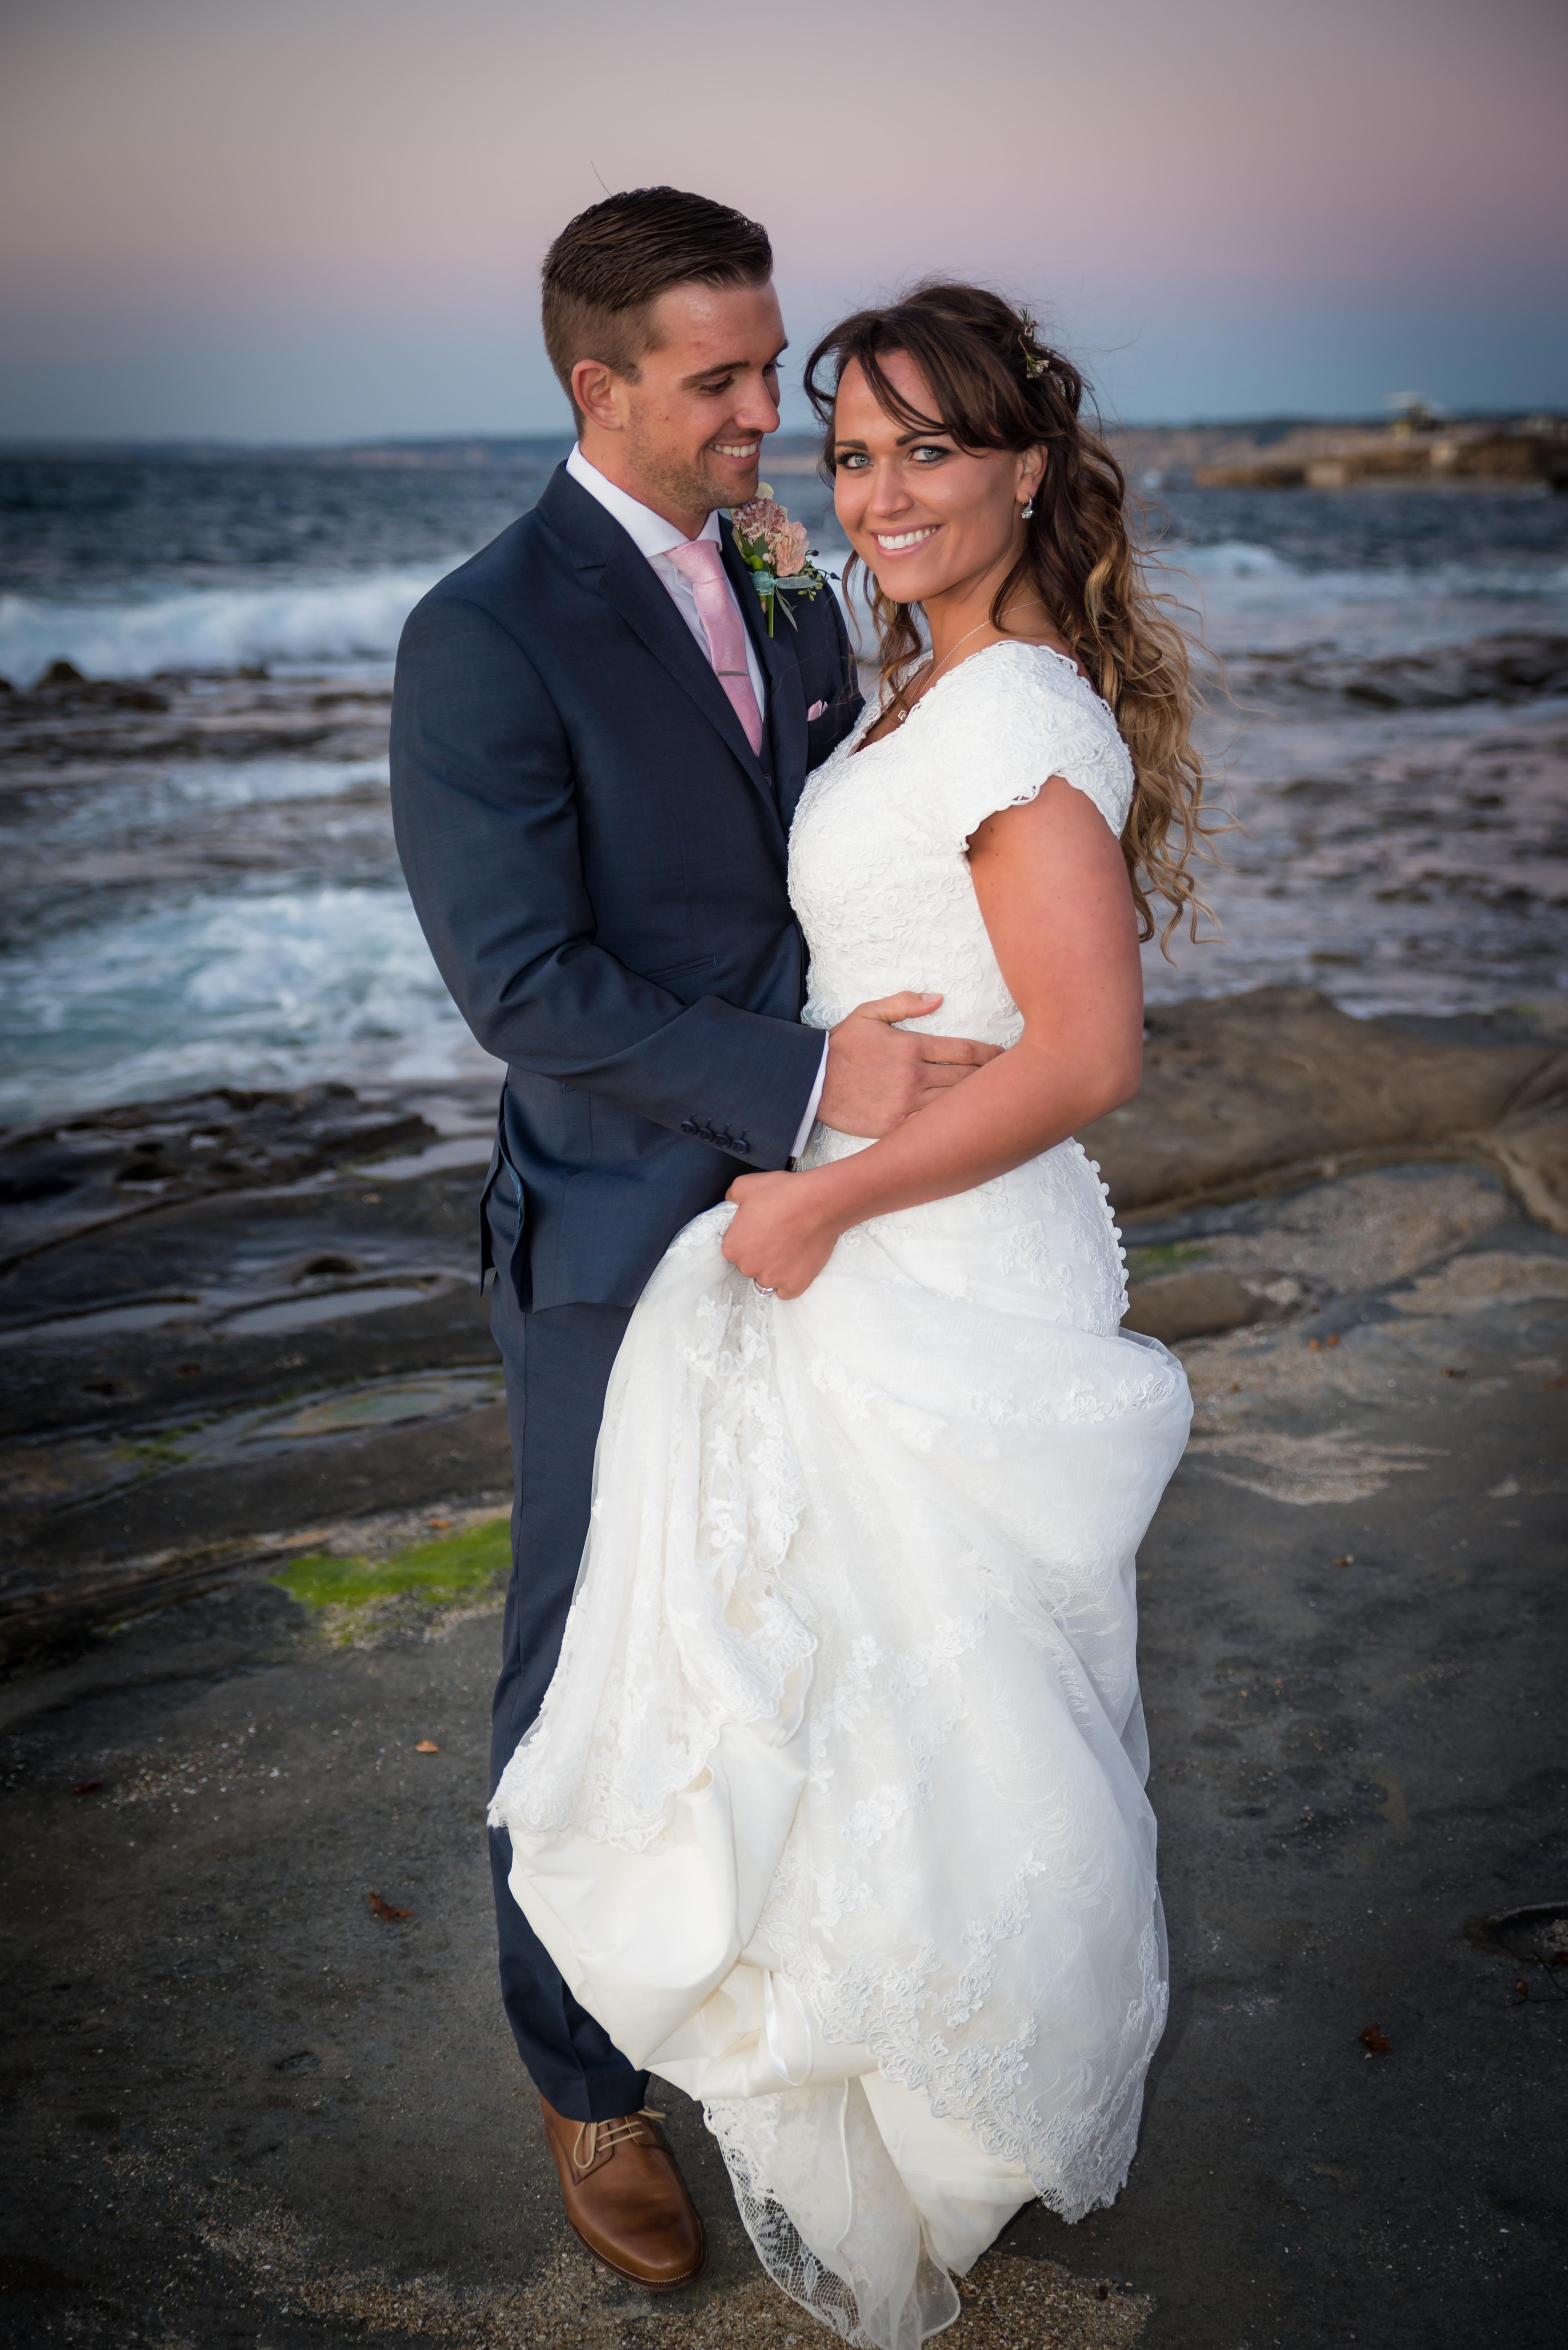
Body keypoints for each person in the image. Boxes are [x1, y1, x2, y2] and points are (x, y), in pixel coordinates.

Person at [488, 283, 1205, 2346]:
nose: (881, 492)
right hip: (873, 1222)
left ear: (1027, 474)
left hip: (937, 1240)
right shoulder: (906, 685)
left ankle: (959, 2094)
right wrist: (818, 1162)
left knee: (965, 1695)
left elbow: (1084, 1054)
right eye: (854, 452)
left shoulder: (1012, 718)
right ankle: (869, 2055)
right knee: (869, 1683)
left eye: (928, 451)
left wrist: (823, 1197)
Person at [390, 193, 1001, 2294]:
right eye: (725, 383)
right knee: (581, 1667)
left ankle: (776, 2018)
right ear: (600, 387)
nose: (778, 416)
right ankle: (582, 2084)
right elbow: (522, 984)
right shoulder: (485, 630)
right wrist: (816, 1085)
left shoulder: (785, 578)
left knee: (808, 1629)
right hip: (615, 1231)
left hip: (832, 1223)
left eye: (772, 373)